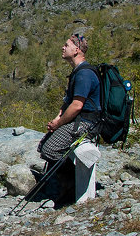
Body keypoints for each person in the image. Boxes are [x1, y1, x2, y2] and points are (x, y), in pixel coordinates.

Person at [36, 33, 102, 206]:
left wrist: (59, 123)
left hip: (87, 123)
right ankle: (65, 184)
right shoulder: (77, 72)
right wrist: (56, 120)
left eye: (66, 45)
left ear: (76, 50)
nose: (62, 47)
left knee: (50, 149)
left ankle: (70, 186)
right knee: (44, 145)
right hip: (79, 120)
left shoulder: (84, 74)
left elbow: (77, 106)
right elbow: (67, 103)